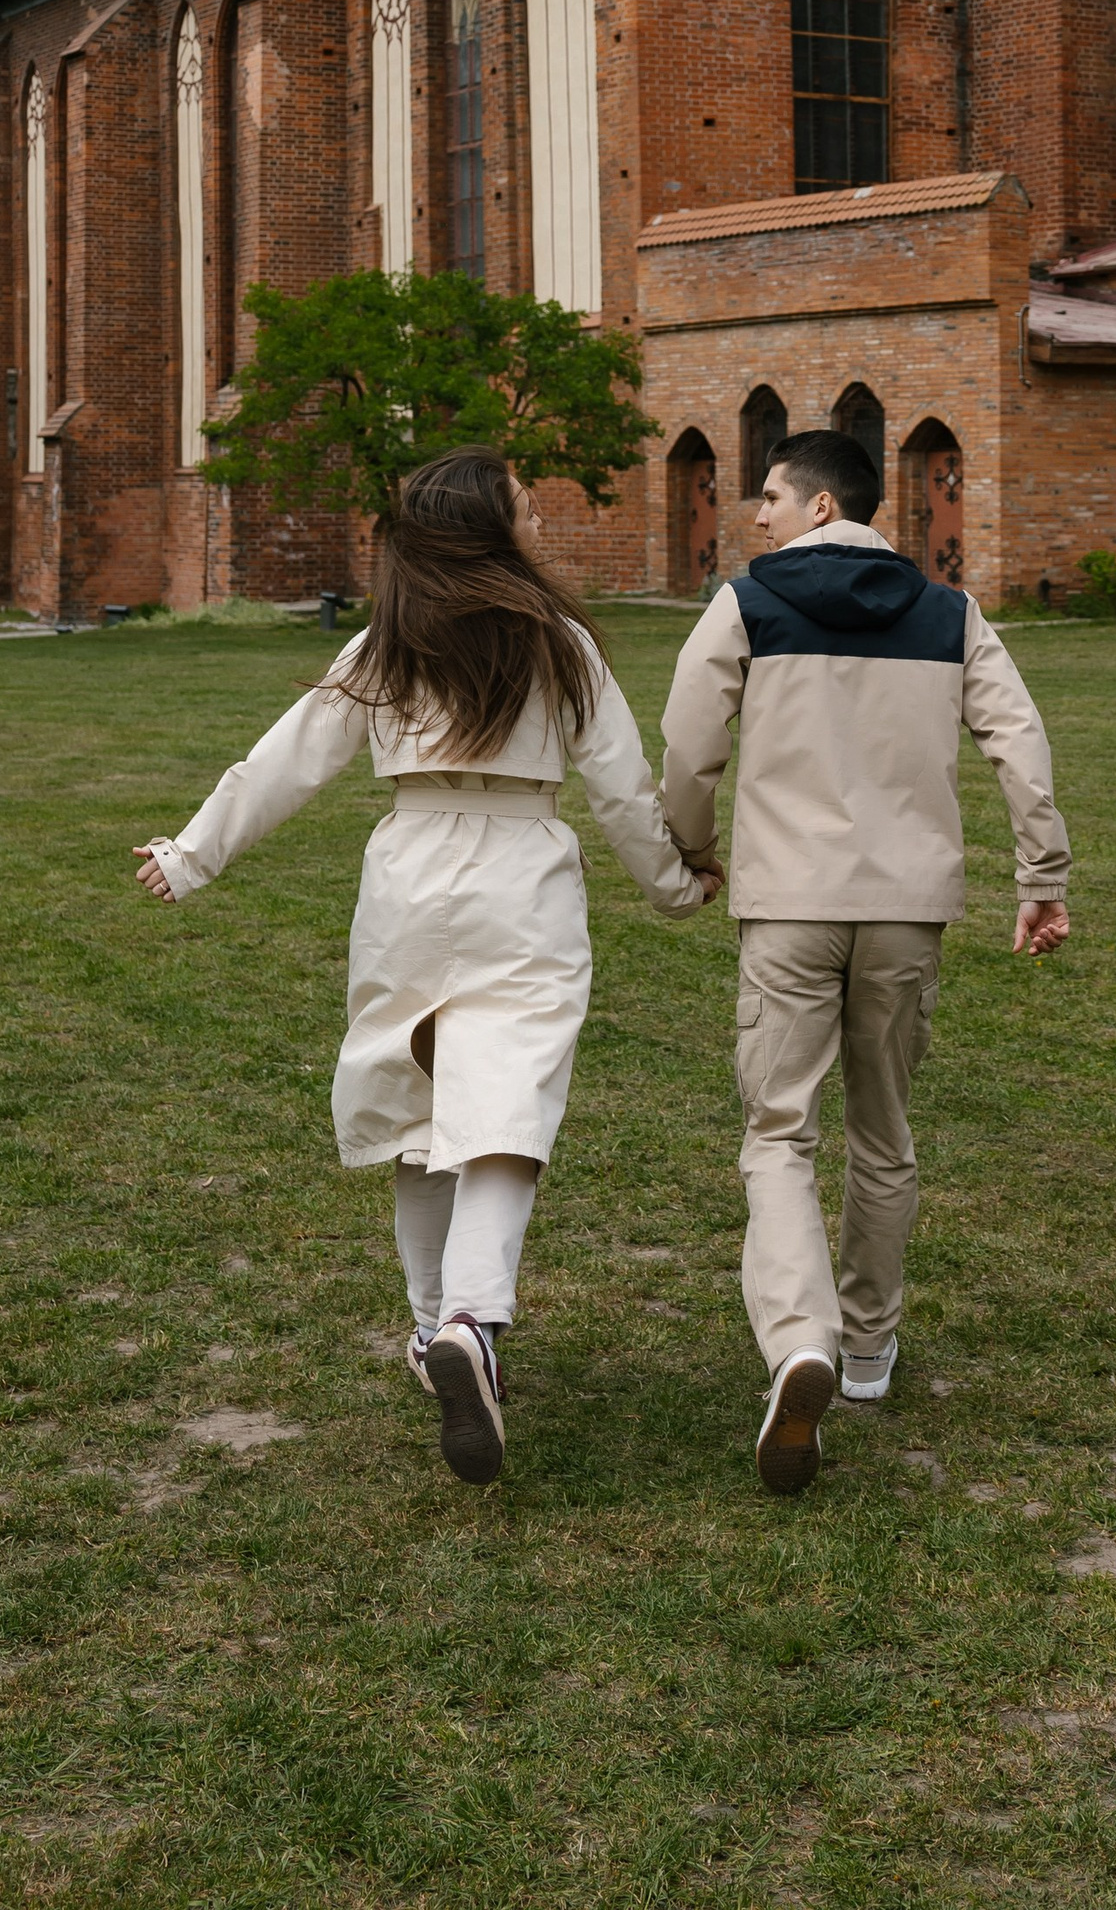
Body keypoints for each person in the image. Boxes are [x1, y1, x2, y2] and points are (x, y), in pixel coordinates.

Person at [134, 448, 719, 1485]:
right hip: (521, 871)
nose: (536, 516)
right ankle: (471, 1320)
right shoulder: (561, 643)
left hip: (407, 868)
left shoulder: (388, 641)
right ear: (490, 526)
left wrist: (190, 852)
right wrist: (675, 887)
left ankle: (427, 1332)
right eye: (524, 506)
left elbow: (288, 756)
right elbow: (624, 789)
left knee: (417, 1107)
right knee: (507, 1112)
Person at [659, 427, 1070, 1497]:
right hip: (905, 909)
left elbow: (686, 742)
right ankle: (871, 1346)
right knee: (881, 1133)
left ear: (827, 507)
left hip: (788, 905)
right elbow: (1017, 741)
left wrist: (691, 848)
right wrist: (1043, 873)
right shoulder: (951, 610)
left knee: (777, 1132)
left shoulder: (746, 605)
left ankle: (802, 1336)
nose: (756, 515)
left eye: (772, 497)